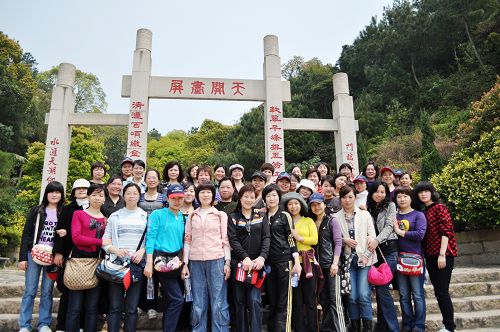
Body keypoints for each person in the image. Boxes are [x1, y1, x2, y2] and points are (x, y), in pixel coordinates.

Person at [181, 182, 231, 332]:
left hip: (216, 259)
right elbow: (188, 239)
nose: (205, 195)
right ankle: (198, 329)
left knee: (218, 300)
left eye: (208, 192)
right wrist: (185, 263)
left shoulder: (221, 215)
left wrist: (227, 262)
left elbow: (225, 240)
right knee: (198, 301)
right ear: (198, 196)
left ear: (213, 195)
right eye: (202, 192)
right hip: (195, 261)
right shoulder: (192, 215)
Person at [18, 181, 66, 332]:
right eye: (51, 191)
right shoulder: (37, 210)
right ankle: (24, 325)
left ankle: (43, 324)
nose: (54, 194)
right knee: (30, 290)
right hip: (33, 254)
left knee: (47, 291)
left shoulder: (63, 211)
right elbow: (26, 234)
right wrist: (22, 258)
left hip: (53, 257)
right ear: (46, 194)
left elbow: (69, 233)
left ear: (61, 194)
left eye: (57, 192)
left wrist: (65, 233)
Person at [102, 183, 148, 332]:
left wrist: (142, 251)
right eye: (128, 193)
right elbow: (105, 240)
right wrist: (115, 250)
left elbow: (151, 239)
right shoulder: (115, 216)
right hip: (117, 264)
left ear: (139, 195)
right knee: (115, 306)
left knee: (132, 307)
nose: (131, 196)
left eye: (135, 193)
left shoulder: (145, 216)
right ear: (123, 195)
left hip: (136, 265)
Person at [414, 181, 458, 332]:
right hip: (430, 256)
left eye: (426, 191)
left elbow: (446, 231)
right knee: (439, 292)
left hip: (443, 255)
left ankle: (450, 327)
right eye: (420, 192)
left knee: (442, 291)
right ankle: (447, 325)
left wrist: (442, 254)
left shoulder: (440, 208)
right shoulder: (422, 211)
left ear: (432, 192)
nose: (423, 194)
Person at [228, 184, 270, 332]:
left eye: (252, 197)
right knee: (239, 302)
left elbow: (266, 238)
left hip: (257, 265)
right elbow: (233, 240)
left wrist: (262, 258)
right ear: (240, 198)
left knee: (254, 300)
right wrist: (244, 258)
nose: (249, 199)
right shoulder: (233, 217)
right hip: (238, 264)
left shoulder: (261, 216)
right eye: (246, 196)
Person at [144, 183, 187, 332]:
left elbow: (184, 243)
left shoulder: (183, 217)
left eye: (180, 198)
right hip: (161, 262)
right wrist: (149, 262)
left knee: (171, 299)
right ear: (167, 198)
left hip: (177, 262)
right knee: (177, 299)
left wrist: (185, 265)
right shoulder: (158, 214)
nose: (177, 201)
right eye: (173, 198)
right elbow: (150, 237)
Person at [66, 184, 107, 332]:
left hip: (97, 263)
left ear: (105, 199)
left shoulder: (106, 219)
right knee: (75, 307)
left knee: (92, 308)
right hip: (78, 262)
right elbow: (76, 238)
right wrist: (100, 242)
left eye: (101, 195)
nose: (97, 198)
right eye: (94, 194)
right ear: (89, 196)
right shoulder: (79, 214)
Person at [335, 185, 376, 332]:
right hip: (347, 261)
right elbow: (333, 238)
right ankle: (354, 326)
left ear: (355, 198)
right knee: (351, 296)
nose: (347, 200)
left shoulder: (364, 214)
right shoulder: (335, 217)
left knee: (364, 295)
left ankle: (367, 328)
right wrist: (344, 240)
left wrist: (366, 255)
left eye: (350, 197)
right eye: (344, 197)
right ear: (340, 199)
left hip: (364, 258)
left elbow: (372, 235)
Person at [262, 184, 301, 332]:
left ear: (279, 197)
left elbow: (291, 239)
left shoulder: (284, 215)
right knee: (272, 298)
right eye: (268, 195)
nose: (271, 198)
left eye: (274, 195)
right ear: (264, 198)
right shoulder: (263, 216)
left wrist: (296, 261)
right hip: (268, 262)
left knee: (284, 301)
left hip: (285, 260)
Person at [53, 178, 91, 331]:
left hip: (90, 256)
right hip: (70, 255)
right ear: (73, 192)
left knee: (87, 292)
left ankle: (81, 325)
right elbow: (59, 232)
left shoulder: (96, 207)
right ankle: (62, 325)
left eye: (84, 188)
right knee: (68, 291)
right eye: (78, 188)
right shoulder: (67, 209)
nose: (81, 191)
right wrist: (58, 252)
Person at [282, 192, 319, 332]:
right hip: (291, 263)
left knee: (310, 299)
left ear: (301, 205)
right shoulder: (285, 221)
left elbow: (314, 240)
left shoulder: (308, 220)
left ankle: (313, 328)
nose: (293, 206)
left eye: (296, 203)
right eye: (290, 204)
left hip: (308, 262)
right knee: (296, 300)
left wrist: (299, 237)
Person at [309, 192, 346, 332]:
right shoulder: (311, 221)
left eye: (318, 204)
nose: (316, 207)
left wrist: (335, 263)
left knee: (335, 300)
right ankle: (328, 328)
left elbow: (338, 243)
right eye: (313, 205)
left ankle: (340, 329)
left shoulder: (332, 220)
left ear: (324, 204)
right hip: (317, 267)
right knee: (323, 300)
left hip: (331, 266)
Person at [366, 181, 399, 332]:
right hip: (375, 253)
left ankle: (393, 328)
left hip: (389, 249)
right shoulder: (367, 208)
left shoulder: (390, 206)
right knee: (380, 289)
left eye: (383, 192)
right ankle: (382, 326)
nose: (379, 195)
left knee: (382, 288)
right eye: (377, 191)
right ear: (371, 192)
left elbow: (389, 226)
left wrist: (376, 240)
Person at [393, 187, 427, 332]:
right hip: (399, 260)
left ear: (411, 198)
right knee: (404, 295)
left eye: (405, 196)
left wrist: (400, 232)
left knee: (418, 295)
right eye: (399, 196)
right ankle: (407, 323)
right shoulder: (394, 216)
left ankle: (419, 325)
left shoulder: (418, 215)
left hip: (415, 259)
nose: (402, 199)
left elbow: (420, 235)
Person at [138, 169, 166, 320]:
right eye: (149, 177)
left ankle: (152, 306)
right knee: (140, 271)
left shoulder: (163, 197)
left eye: (154, 177)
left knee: (153, 273)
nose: (152, 180)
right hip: (139, 237)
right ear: (145, 180)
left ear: (158, 180)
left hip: (157, 238)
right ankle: (139, 304)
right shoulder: (139, 197)